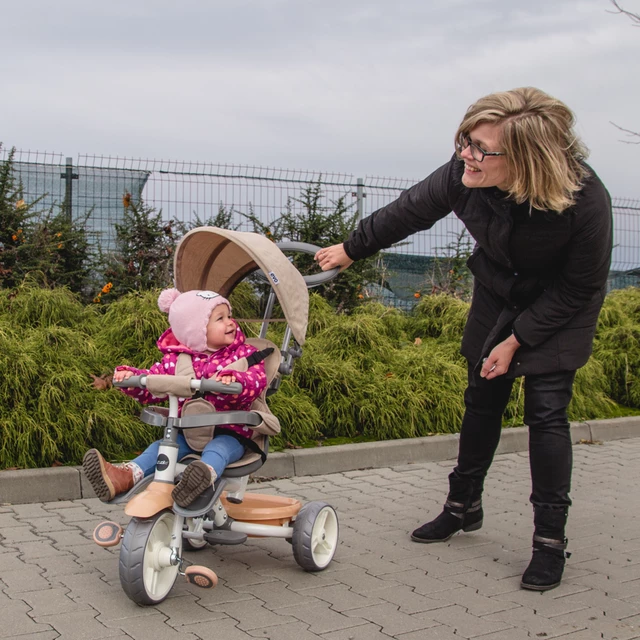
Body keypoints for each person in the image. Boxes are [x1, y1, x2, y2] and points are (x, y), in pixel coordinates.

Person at [315, 87, 612, 592]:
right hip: (499, 292)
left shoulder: (586, 202)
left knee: (546, 412)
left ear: (525, 159)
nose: (465, 156)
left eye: (481, 149)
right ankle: (462, 506)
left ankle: (549, 542)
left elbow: (580, 286)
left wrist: (518, 340)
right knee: (481, 398)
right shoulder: (463, 175)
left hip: (560, 307)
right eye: (464, 141)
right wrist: (351, 247)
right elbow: (410, 209)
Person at [83, 288, 268, 508]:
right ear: (196, 330)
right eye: (220, 318)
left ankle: (199, 480)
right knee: (160, 449)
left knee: (217, 450)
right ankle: (123, 477)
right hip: (188, 434)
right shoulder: (177, 361)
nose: (231, 323)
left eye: (229, 316)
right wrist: (134, 378)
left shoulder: (243, 355)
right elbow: (155, 382)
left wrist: (235, 379)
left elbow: (257, 380)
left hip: (230, 433)